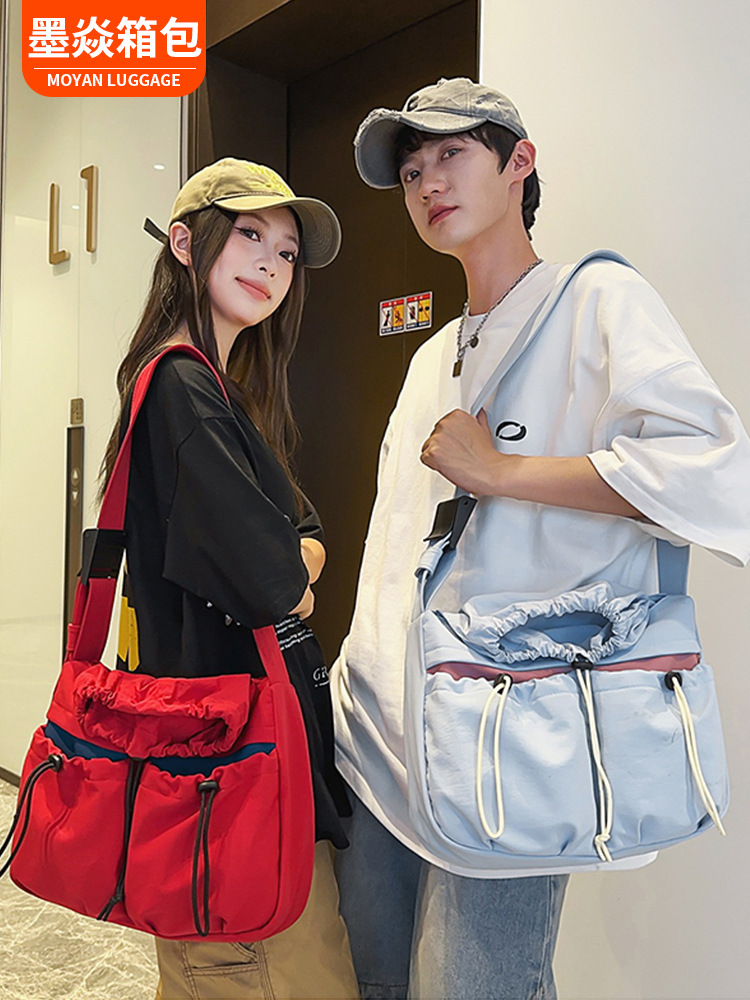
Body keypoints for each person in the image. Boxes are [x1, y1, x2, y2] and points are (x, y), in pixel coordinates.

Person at [331, 77, 750, 1000]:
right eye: (411, 171)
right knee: (374, 982)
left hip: (508, 739)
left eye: (451, 153)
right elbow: (392, 549)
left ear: (519, 161)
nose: (428, 183)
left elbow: (714, 474)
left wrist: (504, 472)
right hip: (378, 742)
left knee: (477, 987)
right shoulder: (429, 357)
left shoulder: (596, 302)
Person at [99, 158, 359, 1000]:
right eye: (250, 234)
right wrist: (298, 567)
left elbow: (301, 537)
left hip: (226, 764)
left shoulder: (219, 392)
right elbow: (278, 577)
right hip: (235, 771)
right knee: (267, 970)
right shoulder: (181, 387)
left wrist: (296, 558)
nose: (271, 265)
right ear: (184, 243)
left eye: (286, 253)